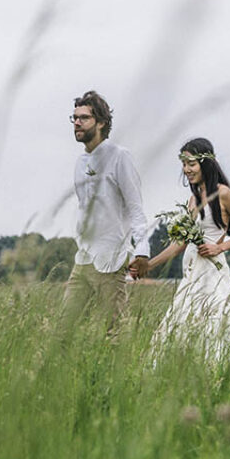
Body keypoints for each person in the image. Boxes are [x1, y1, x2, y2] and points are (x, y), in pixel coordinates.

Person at [131, 137, 230, 362]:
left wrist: (219, 247)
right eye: (183, 164)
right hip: (191, 272)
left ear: (206, 162)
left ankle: (223, 368)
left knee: (216, 319)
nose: (186, 169)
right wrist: (149, 265)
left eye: (191, 163)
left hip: (212, 270)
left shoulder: (223, 193)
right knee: (183, 320)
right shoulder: (192, 200)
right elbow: (180, 244)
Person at [61, 90, 151, 339]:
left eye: (84, 118)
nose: (77, 123)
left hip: (111, 260)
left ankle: (119, 377)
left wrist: (142, 251)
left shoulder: (120, 157)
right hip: (84, 259)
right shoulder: (80, 163)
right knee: (62, 331)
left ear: (101, 122)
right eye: (74, 118)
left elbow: (136, 208)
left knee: (113, 333)